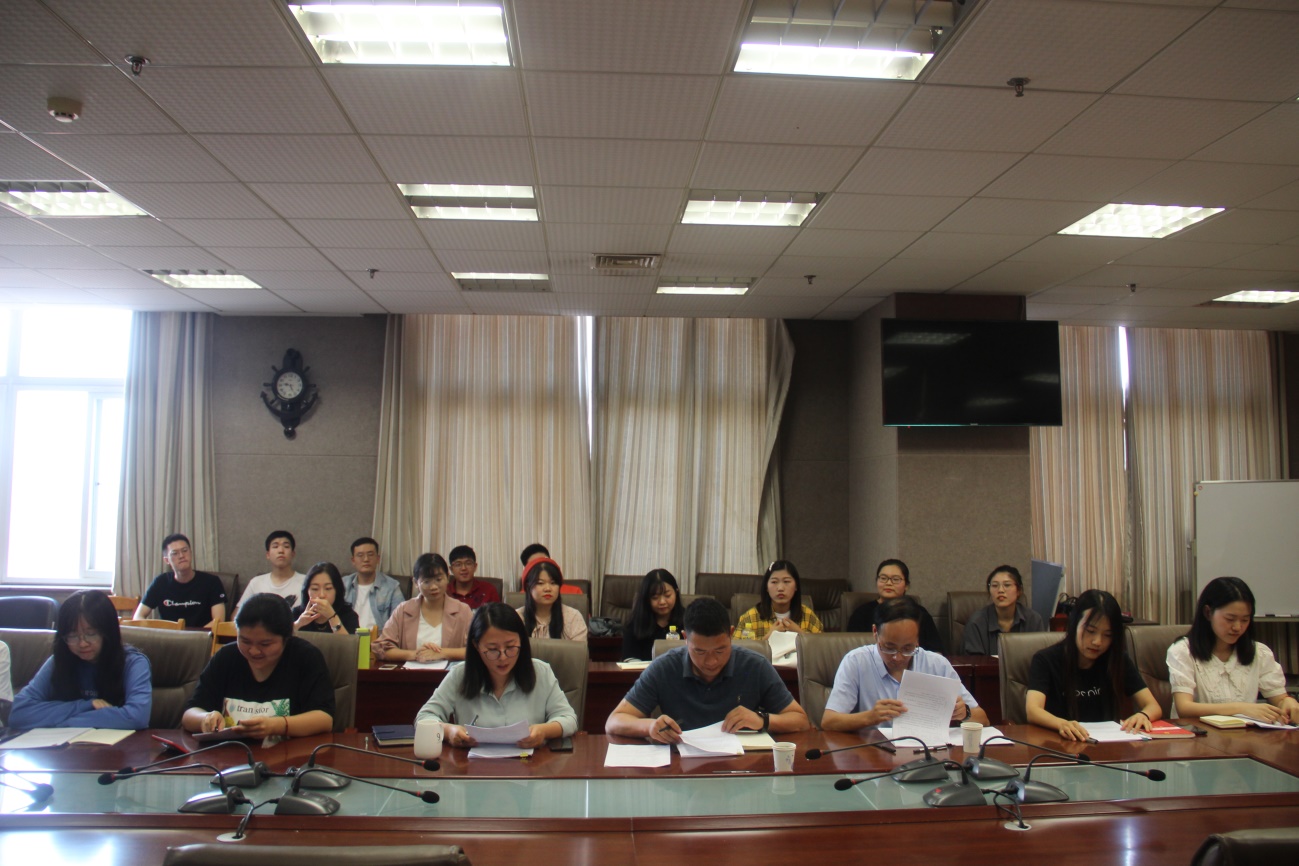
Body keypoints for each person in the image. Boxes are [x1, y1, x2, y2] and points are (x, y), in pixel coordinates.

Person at [606, 598, 810, 742]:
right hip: (681, 768)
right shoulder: (665, 667)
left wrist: (762, 720)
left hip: (740, 767)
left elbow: (801, 721)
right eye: (700, 651)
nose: (711, 661)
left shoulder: (755, 666)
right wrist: (649, 726)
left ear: (731, 634)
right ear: (685, 639)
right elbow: (614, 721)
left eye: (720, 650)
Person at [416, 603, 578, 748]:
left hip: (530, 766)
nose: (503, 657)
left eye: (510, 647)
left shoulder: (541, 672)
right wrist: (448, 730)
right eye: (492, 649)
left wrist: (543, 731)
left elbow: (569, 718)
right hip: (473, 767)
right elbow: (423, 718)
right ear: (476, 645)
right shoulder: (460, 674)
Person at [822, 596, 988, 731]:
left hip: (925, 752)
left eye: (908, 648)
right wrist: (869, 717)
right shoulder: (856, 662)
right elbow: (829, 721)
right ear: (875, 633)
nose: (898, 657)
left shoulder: (936, 664)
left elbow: (983, 719)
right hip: (872, 753)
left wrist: (964, 713)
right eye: (889, 648)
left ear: (917, 639)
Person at [182, 593, 334, 738]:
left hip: (289, 754)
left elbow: (324, 719)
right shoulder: (226, 657)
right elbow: (190, 713)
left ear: (287, 637)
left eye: (265, 644)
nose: (254, 651)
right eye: (245, 641)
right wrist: (205, 719)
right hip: (230, 753)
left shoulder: (305, 657)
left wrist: (277, 725)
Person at [1026, 588, 1161, 741]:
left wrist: (1143, 715)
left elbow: (1153, 706)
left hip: (1107, 744)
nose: (1098, 641)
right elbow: (1033, 710)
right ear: (1074, 624)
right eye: (1090, 631)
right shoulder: (1046, 660)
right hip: (1059, 743)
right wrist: (1061, 724)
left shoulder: (1117, 659)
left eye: (1107, 635)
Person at [10, 591, 152, 730]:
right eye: (72, 635)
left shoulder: (134, 663)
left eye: (91, 634)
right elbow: (19, 713)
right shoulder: (59, 661)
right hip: (64, 743)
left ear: (108, 632)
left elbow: (136, 717)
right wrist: (86, 705)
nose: (82, 644)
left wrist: (67, 722)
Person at [1167, 576, 1299, 723]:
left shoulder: (1259, 653)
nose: (1237, 627)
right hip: (1198, 734)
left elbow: (1279, 698)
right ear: (1208, 612)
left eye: (1245, 620)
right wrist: (1241, 708)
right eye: (1230, 619)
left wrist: (1287, 702)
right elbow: (1184, 708)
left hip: (1245, 735)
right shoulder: (1183, 651)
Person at [374, 553, 471, 663]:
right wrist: (415, 654)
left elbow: (476, 650)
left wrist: (442, 653)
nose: (433, 587)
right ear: (416, 583)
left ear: (448, 577)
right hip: (412, 672)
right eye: (426, 582)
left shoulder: (463, 611)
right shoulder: (403, 610)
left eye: (439, 579)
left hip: (449, 673)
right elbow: (382, 649)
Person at [846, 558, 945, 653]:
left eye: (896, 579)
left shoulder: (919, 613)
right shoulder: (861, 613)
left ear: (906, 585)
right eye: (883, 578)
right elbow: (849, 649)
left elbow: (936, 650)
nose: (888, 583)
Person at [134, 533, 226, 627]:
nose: (181, 555)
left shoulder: (211, 582)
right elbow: (138, 616)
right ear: (167, 560)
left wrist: (195, 635)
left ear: (191, 553)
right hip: (169, 635)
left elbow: (219, 620)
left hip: (201, 635)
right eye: (175, 553)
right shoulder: (160, 582)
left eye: (185, 550)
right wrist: (155, 632)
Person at [961, 564, 1047, 655]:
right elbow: (973, 661)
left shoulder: (1033, 620)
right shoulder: (976, 622)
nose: (1000, 590)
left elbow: (1041, 657)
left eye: (1007, 585)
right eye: (995, 585)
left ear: (1018, 590)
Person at [736, 560, 823, 639]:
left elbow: (823, 647)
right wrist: (768, 637)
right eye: (774, 582)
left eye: (786, 581)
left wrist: (800, 634)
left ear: (796, 586)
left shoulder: (807, 615)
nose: (780, 588)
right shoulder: (750, 618)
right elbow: (737, 649)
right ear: (766, 587)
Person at [620, 569, 685, 661]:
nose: (662, 602)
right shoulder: (635, 624)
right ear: (646, 598)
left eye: (667, 595)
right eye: (655, 597)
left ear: (676, 593)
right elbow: (629, 659)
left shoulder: (688, 620)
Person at [342, 536, 402, 632]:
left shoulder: (392, 587)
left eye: (370, 554)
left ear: (378, 559)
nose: (366, 559)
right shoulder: (343, 584)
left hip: (378, 638)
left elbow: (400, 621)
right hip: (348, 637)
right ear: (353, 561)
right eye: (360, 555)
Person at [517, 559, 587, 642]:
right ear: (528, 587)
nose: (548, 588)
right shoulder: (517, 618)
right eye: (540, 583)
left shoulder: (573, 617)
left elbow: (578, 650)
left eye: (553, 583)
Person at [236, 530, 305, 614]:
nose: (281, 550)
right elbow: (236, 616)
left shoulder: (305, 582)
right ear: (268, 555)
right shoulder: (256, 582)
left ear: (293, 554)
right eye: (275, 546)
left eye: (286, 546)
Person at [291, 562, 359, 634]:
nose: (322, 595)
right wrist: (299, 624)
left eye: (328, 588)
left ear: (337, 590)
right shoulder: (296, 613)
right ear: (306, 591)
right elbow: (284, 638)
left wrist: (332, 616)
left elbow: (348, 641)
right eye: (315, 589)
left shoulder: (348, 615)